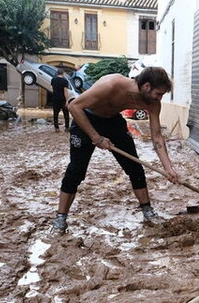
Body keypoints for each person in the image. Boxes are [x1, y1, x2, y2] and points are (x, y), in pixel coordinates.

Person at [51, 67, 179, 232]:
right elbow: (74, 107)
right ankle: (60, 218)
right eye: (159, 93)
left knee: (135, 169)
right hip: (86, 119)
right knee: (76, 171)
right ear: (147, 86)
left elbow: (156, 136)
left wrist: (168, 168)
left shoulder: (152, 102)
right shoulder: (111, 84)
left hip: (113, 122)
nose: (159, 98)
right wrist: (96, 138)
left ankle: (148, 212)